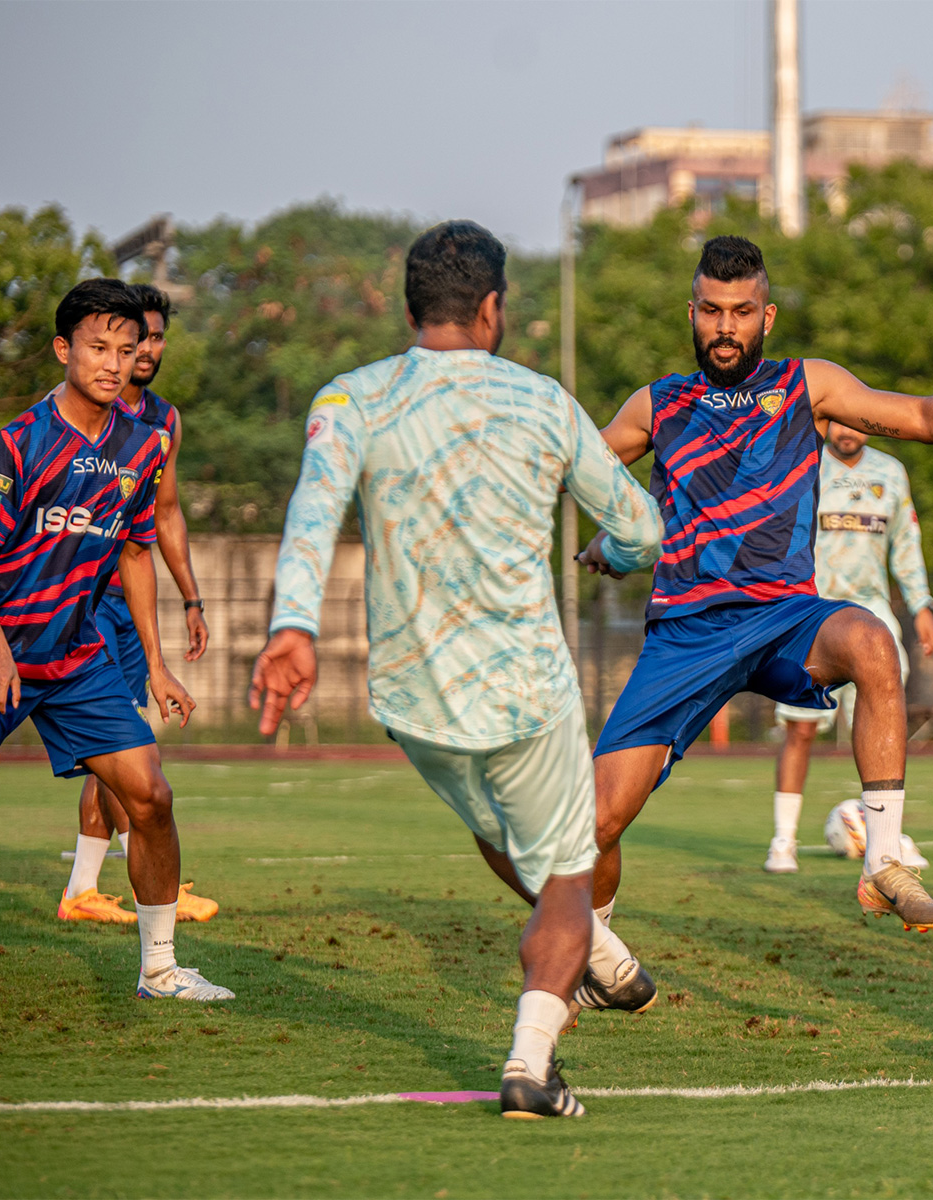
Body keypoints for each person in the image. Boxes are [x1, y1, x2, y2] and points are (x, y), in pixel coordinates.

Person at [249, 220, 663, 1120]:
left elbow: (311, 515)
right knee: (563, 874)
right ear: (492, 308)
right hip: (524, 689)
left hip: (410, 696)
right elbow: (641, 529)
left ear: (408, 311)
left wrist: (292, 629)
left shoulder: (349, 400)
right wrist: (614, 554)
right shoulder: (544, 402)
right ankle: (529, 1065)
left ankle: (602, 958)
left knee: (502, 827)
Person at [580, 234, 933, 947]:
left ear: (767, 316)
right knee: (595, 823)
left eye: (741, 312)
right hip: (688, 632)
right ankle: (592, 947)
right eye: (712, 311)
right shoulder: (657, 405)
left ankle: (882, 859)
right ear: (691, 312)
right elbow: (583, 473)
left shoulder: (807, 385)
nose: (725, 328)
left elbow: (919, 417)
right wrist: (609, 542)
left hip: (785, 617)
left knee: (873, 641)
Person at [0, 278, 224, 1001]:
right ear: (64, 349)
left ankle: (160, 970)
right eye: (98, 347)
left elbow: (136, 553)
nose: (115, 362)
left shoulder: (145, 444)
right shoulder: (18, 441)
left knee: (151, 798)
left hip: (78, 660)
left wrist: (159, 668)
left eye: (127, 347)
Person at [58, 283, 216, 925]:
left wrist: (193, 598)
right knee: (121, 746)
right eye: (127, 341)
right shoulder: (61, 419)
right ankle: (131, 883)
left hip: (136, 606)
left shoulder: (162, 421)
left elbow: (164, 515)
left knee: (123, 746)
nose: (139, 352)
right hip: (82, 605)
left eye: (150, 338)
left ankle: (89, 886)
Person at [762, 419, 933, 874]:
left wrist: (920, 605)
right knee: (800, 728)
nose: (846, 431)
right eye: (836, 421)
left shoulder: (891, 472)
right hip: (807, 610)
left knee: (884, 714)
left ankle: (888, 837)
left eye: (854, 421)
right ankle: (784, 840)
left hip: (872, 614)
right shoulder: (803, 467)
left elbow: (906, 543)